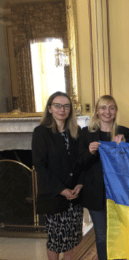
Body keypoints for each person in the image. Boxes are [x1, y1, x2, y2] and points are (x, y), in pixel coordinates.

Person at [78, 95, 129, 260]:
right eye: (103, 108)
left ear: (116, 111)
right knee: (101, 236)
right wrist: (90, 152)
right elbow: (80, 163)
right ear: (97, 111)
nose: (107, 112)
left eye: (111, 108)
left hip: (120, 193)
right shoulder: (86, 133)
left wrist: (125, 146)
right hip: (95, 193)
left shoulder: (125, 132)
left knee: (120, 235)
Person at [32, 91, 83, 260]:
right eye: (58, 105)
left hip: (74, 197)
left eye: (66, 106)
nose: (62, 109)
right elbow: (40, 166)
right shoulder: (41, 132)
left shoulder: (76, 131)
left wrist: (79, 184)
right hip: (54, 195)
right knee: (55, 241)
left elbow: (82, 162)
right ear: (50, 108)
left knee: (71, 240)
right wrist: (62, 190)